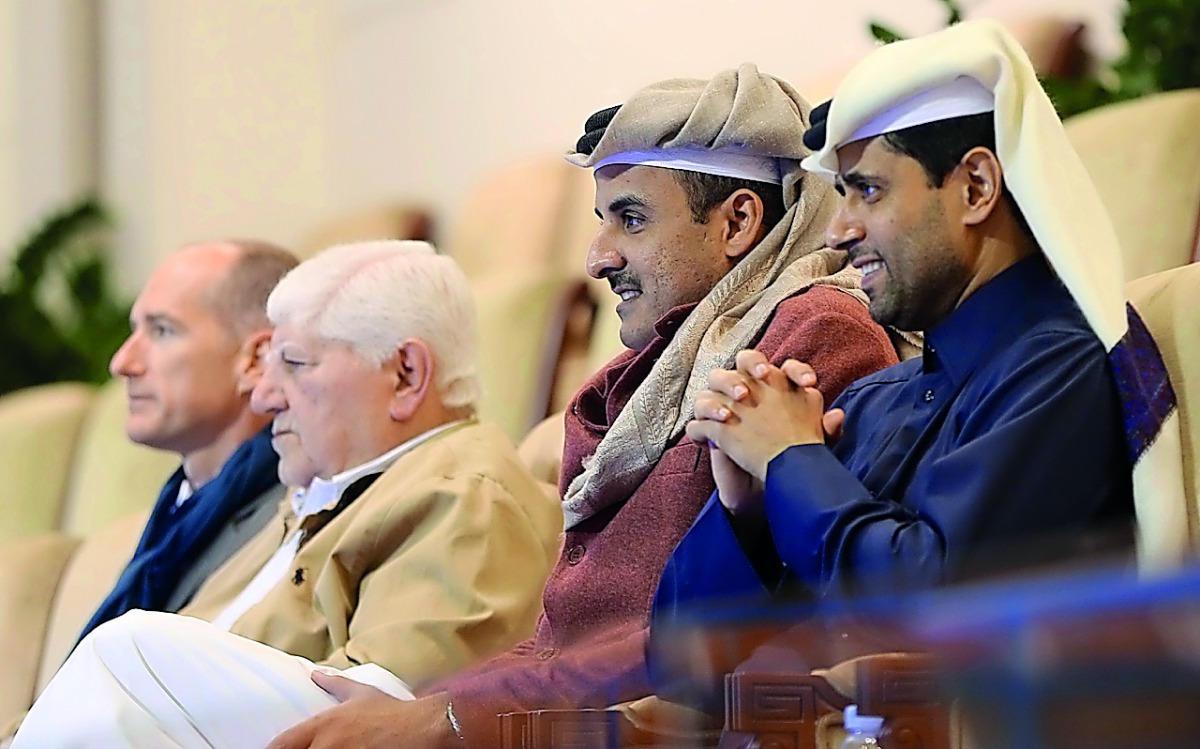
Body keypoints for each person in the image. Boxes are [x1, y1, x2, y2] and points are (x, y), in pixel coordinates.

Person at [259, 65, 902, 749]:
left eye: (631, 219)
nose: (597, 259)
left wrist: (448, 720)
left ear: (737, 222)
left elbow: (704, 643)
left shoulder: (817, 335)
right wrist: (421, 705)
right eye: (602, 222)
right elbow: (562, 642)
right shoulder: (649, 368)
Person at [656, 20, 1177, 636]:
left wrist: (792, 460)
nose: (838, 232)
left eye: (868, 190)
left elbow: (935, 615)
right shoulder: (871, 402)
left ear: (976, 187)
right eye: (841, 195)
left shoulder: (1061, 370)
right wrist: (748, 507)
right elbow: (680, 658)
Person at [12, 241, 563, 748]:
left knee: (128, 647)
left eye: (295, 364)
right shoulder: (315, 501)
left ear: (405, 374)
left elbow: (379, 722)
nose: (265, 395)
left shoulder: (464, 493)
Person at [79, 240, 298, 640]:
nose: (123, 363)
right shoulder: (175, 514)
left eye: (162, 330)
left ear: (257, 360)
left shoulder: (297, 518)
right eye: (135, 330)